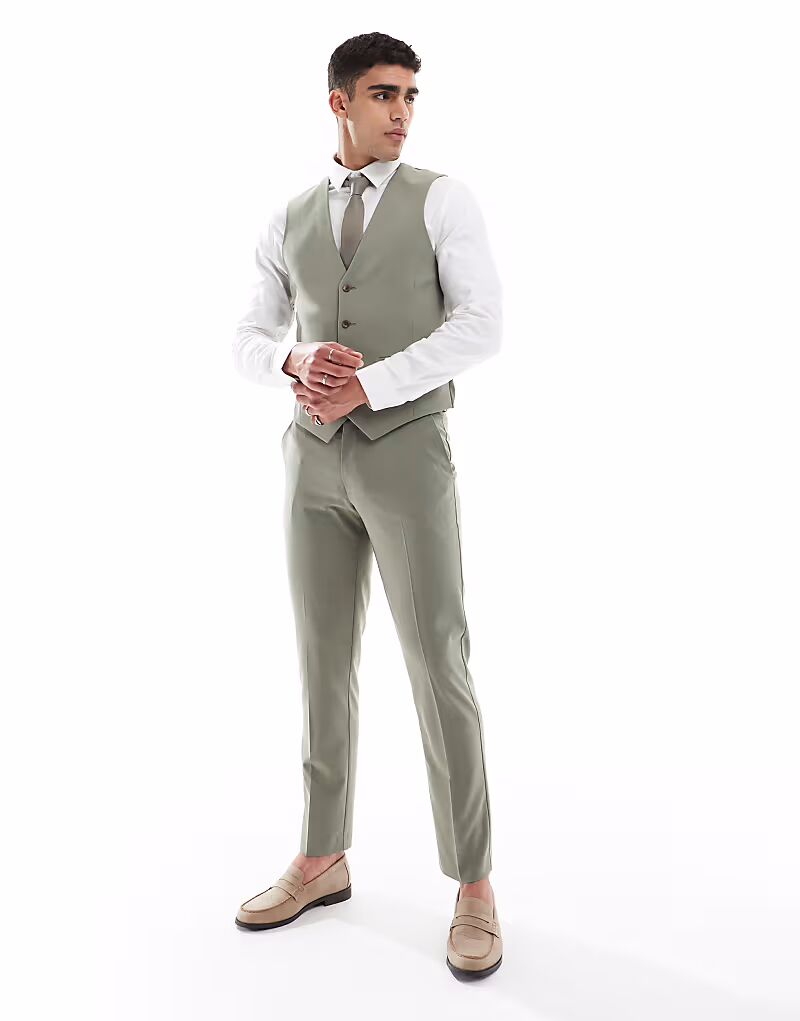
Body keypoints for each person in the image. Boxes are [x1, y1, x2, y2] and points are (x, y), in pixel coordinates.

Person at [231, 32, 504, 980]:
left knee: (438, 660)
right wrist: (294, 359)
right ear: (339, 102)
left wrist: (372, 383)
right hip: (310, 462)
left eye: (412, 96)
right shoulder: (291, 215)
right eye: (385, 94)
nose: (403, 112)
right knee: (321, 660)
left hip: (406, 456)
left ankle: (474, 883)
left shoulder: (443, 200)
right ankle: (322, 856)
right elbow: (246, 335)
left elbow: (483, 324)